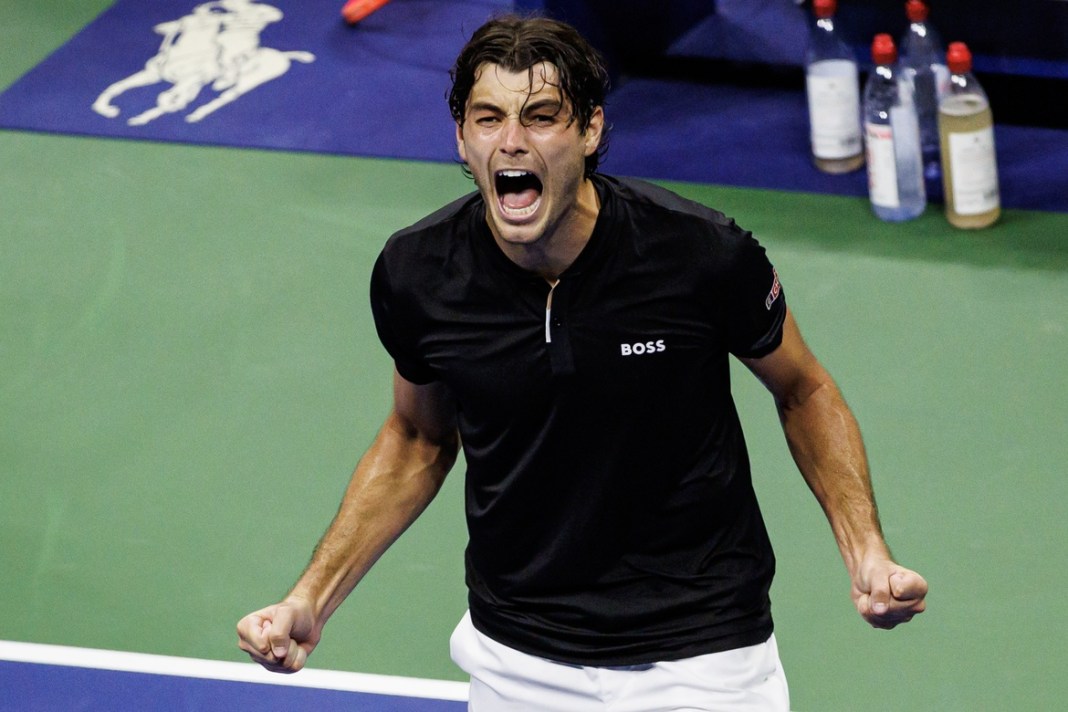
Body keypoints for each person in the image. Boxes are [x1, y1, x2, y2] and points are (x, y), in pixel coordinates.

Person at [236, 14, 928, 710]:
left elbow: (802, 388)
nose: (512, 140)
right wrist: (312, 599)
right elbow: (418, 437)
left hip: (703, 654)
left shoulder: (698, 253)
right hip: (518, 659)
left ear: (590, 131)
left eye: (541, 117)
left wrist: (864, 549)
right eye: (488, 118)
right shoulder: (418, 274)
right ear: (462, 139)